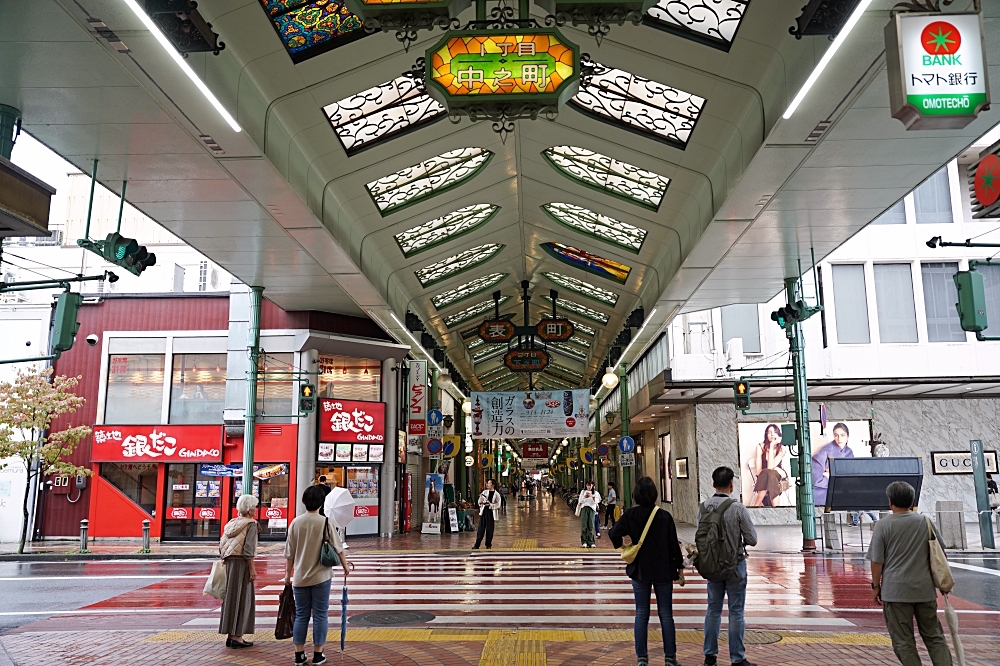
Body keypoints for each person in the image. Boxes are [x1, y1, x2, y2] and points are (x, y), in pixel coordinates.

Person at [867, 481, 952, 666]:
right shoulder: (925, 522)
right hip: (924, 590)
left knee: (903, 641)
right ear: (912, 501)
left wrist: (875, 586)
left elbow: (877, 561)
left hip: (895, 592)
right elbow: (941, 554)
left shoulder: (882, 525)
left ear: (890, 501)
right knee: (934, 637)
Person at [609, 477, 683, 666]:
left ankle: (642, 657)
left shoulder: (631, 515)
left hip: (640, 570)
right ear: (655, 494)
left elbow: (613, 533)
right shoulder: (664, 516)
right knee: (666, 613)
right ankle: (670, 658)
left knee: (641, 612)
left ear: (636, 495)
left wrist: (623, 544)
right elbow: (674, 545)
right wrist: (679, 567)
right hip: (663, 571)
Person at [285, 485, 351, 666]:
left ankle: (299, 655)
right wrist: (345, 566)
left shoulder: (295, 522)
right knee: (321, 614)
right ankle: (318, 654)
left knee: (301, 615)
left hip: (299, 577)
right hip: (321, 577)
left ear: (304, 501)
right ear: (321, 503)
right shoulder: (325, 522)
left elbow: (289, 553)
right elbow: (338, 548)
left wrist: (287, 576)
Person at [700, 466, 758, 666]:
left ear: (713, 484)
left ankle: (710, 656)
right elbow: (753, 538)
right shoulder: (738, 508)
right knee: (736, 611)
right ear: (731, 484)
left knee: (713, 609)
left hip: (713, 566)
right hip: (734, 566)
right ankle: (737, 658)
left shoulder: (704, 507)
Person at [218, 494, 259, 649]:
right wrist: (252, 568)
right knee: (243, 597)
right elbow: (249, 550)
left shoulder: (232, 523)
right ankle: (237, 637)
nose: (255, 509)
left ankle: (230, 635)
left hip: (230, 562)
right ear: (249, 510)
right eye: (254, 506)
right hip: (242, 563)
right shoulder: (251, 524)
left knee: (231, 597)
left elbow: (221, 544)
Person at [811, 422, 855, 507]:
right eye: (836, 435)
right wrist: (830, 476)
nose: (839, 438)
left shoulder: (849, 452)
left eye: (842, 435)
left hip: (843, 490)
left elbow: (850, 474)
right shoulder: (825, 450)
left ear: (847, 436)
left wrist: (834, 473)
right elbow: (816, 477)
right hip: (824, 492)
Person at [749, 424, 789, 507]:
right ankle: (776, 508)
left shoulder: (782, 449)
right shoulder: (760, 447)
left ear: (778, 434)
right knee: (768, 473)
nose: (772, 434)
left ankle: (755, 506)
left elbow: (770, 467)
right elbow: (758, 471)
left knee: (769, 472)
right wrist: (771, 445)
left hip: (779, 474)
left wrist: (772, 445)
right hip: (764, 475)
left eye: (774, 432)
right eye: (769, 432)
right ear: (766, 434)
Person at [474, 479, 502, 549]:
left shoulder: (497, 494)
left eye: (489, 483)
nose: (487, 484)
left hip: (491, 514)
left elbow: (498, 505)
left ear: (493, 485)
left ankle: (488, 544)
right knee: (480, 529)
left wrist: (490, 505)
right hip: (483, 512)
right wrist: (480, 502)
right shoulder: (485, 492)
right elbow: (480, 500)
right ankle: (477, 545)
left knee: (489, 530)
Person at [576, 480, 601, 548]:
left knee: (591, 525)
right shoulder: (583, 492)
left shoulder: (596, 493)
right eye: (588, 485)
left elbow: (597, 501)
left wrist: (592, 496)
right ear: (586, 485)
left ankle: (591, 541)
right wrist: (585, 497)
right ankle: (584, 541)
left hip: (592, 510)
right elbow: (580, 501)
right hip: (584, 509)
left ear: (593, 486)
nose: (589, 487)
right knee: (584, 525)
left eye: (590, 485)